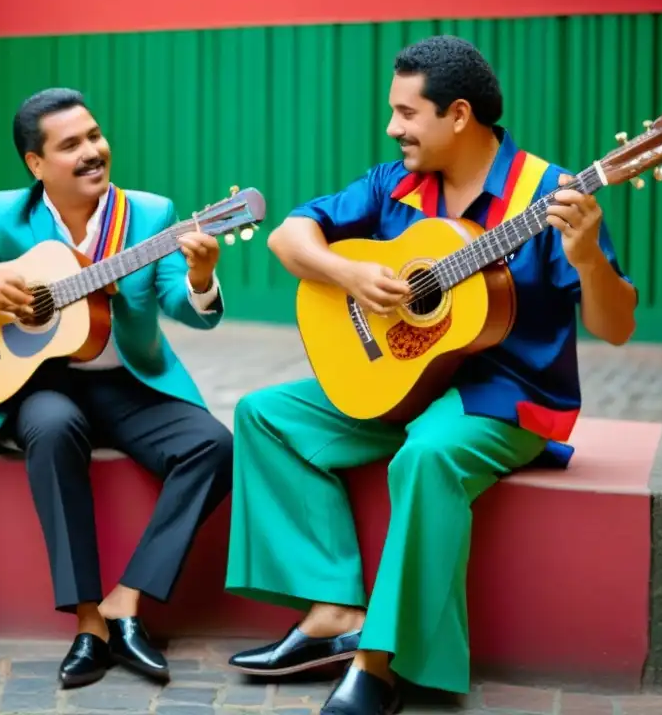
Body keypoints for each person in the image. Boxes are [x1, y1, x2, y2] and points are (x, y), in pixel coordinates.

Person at [223, 36, 638, 715]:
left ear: (459, 116)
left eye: (406, 113)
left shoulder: (548, 193)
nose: (392, 128)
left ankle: (380, 663)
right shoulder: (395, 184)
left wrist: (588, 257)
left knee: (427, 455)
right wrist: (349, 273)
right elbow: (288, 235)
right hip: (404, 380)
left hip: (505, 398)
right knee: (264, 414)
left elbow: (617, 328)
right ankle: (329, 609)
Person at [0, 87, 234, 688]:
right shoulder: (2, 216)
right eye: (71, 144)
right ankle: (86, 620)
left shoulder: (150, 216)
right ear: (36, 163)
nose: (93, 151)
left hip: (129, 381)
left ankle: (127, 601)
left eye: (95, 136)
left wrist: (201, 277)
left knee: (214, 445)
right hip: (36, 384)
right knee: (52, 426)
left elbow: (187, 306)